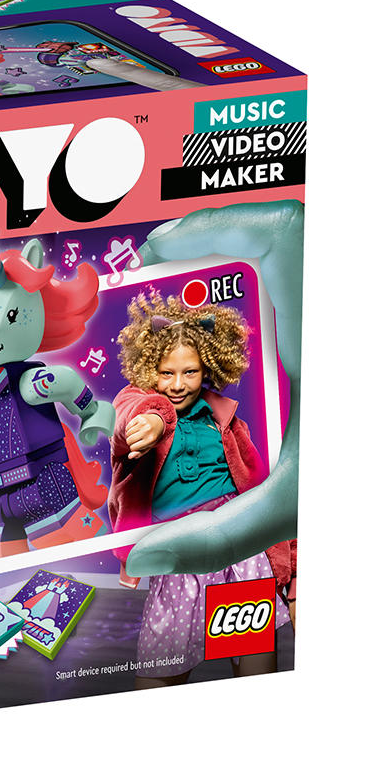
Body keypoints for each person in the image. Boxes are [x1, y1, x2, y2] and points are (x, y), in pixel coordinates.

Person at [107, 291, 295, 688]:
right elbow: (128, 418)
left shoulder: (225, 420)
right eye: (166, 373)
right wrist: (152, 423)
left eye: (189, 372)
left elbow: (262, 492)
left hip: (240, 553)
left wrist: (289, 565)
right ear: (149, 368)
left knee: (257, 667)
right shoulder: (136, 403)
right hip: (180, 556)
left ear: (206, 367)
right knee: (159, 672)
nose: (177, 385)